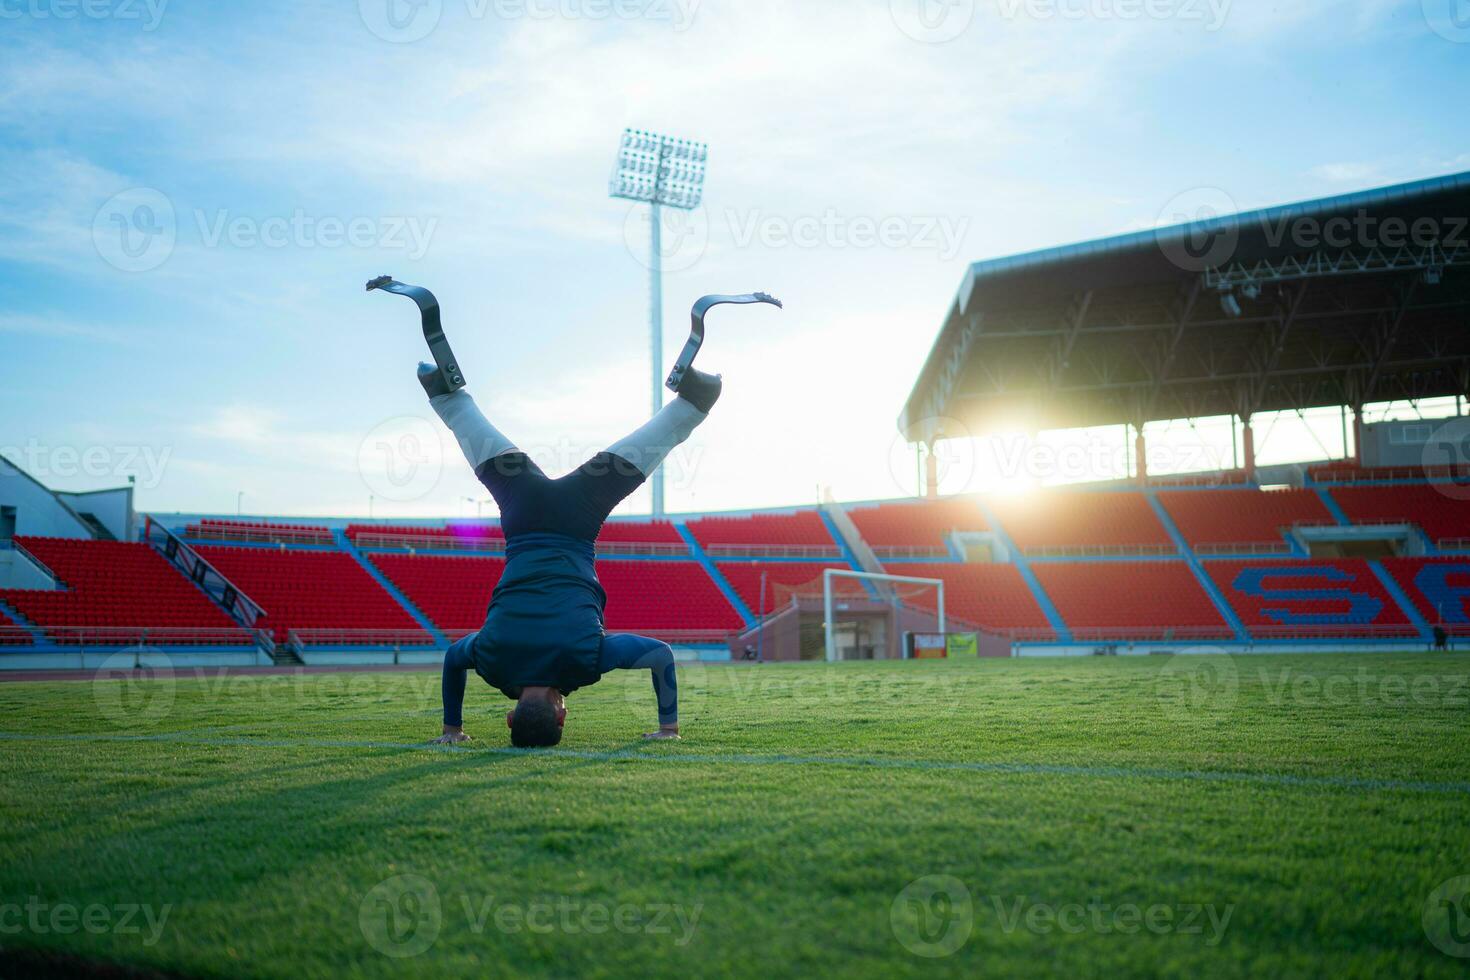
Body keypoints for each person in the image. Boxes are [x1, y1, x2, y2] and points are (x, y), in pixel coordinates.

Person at [425, 356, 724, 748]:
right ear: (511, 718)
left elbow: (660, 655)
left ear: (562, 717)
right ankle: (443, 393)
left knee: (660, 437)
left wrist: (669, 729)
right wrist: (452, 729)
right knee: (460, 417)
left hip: (579, 516)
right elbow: (453, 657)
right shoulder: (492, 661)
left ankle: (697, 398)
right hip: (523, 511)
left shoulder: (585, 662)